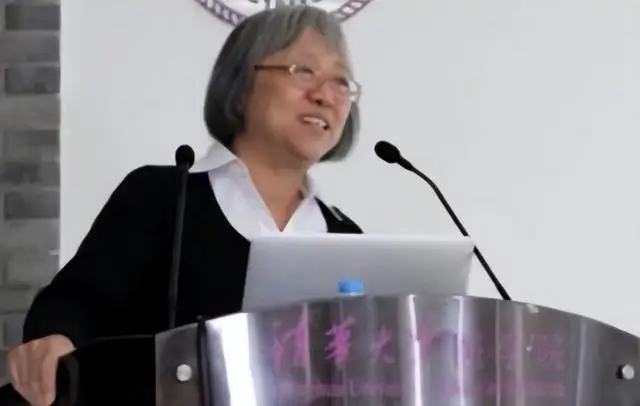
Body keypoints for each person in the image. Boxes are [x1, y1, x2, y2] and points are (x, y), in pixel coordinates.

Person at [7, 5, 363, 406]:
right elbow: (75, 303)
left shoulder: (347, 240)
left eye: (341, 82)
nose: (325, 95)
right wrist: (55, 339)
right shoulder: (162, 198)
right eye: (304, 71)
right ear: (242, 83)